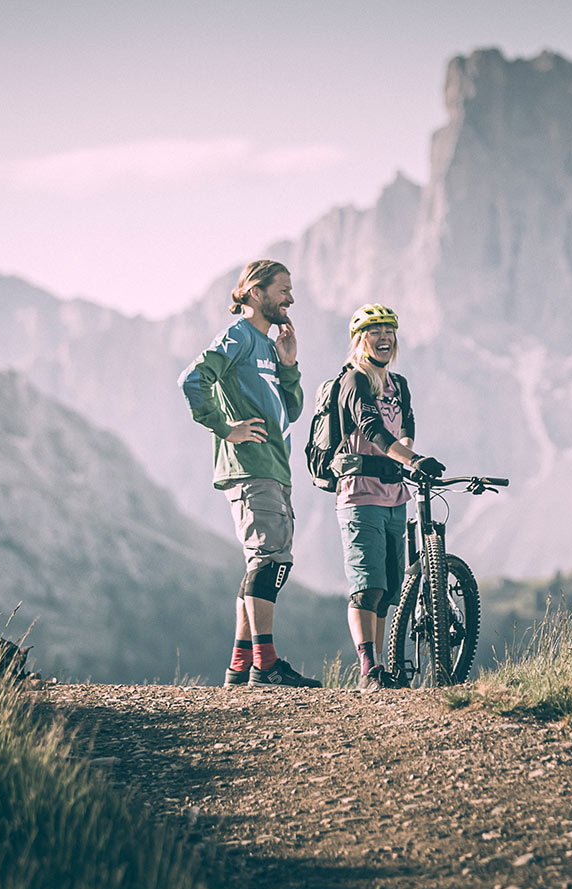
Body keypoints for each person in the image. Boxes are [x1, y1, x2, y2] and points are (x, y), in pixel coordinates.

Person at [178, 259, 320, 689]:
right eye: (283, 290)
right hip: (250, 468)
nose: (291, 299)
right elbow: (192, 380)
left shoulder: (265, 344)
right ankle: (266, 665)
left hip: (274, 467)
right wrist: (226, 428)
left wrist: (289, 365)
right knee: (270, 559)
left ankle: (240, 668)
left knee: (264, 560)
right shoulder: (238, 335)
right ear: (256, 293)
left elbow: (290, 412)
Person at [333, 303, 445, 691]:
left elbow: (406, 425)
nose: (384, 337)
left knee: (387, 593)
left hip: (395, 498)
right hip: (360, 496)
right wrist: (412, 459)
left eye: (389, 331)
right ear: (359, 339)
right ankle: (369, 668)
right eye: (374, 331)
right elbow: (373, 428)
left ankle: (382, 669)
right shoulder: (354, 381)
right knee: (368, 587)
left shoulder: (399, 383)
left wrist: (409, 459)